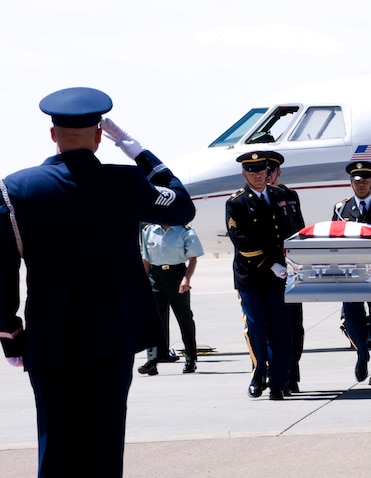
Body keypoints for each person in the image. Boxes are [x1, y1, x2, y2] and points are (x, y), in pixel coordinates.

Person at [0, 87, 195, 476]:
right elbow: (181, 206)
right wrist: (138, 153)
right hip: (112, 336)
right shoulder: (125, 183)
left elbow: (2, 268)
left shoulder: (16, 189)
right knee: (104, 444)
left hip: (50, 336)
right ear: (98, 136)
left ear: (53, 135)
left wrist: (9, 331)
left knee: (54, 443)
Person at [226, 151, 292, 401]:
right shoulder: (236, 202)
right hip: (251, 277)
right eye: (252, 172)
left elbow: (291, 231)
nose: (258, 176)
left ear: (269, 172)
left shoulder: (280, 196)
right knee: (255, 328)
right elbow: (241, 241)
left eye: (262, 171)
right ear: (244, 174)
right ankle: (258, 372)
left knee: (281, 330)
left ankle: (278, 382)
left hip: (279, 277)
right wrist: (272, 264)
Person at [333, 161, 371, 384]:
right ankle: (361, 354)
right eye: (357, 181)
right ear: (351, 183)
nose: (361, 184)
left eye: (366, 180)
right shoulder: (341, 208)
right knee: (351, 319)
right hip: (351, 274)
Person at [138, 223, 204, 375]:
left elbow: (193, 259)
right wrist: (144, 282)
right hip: (155, 276)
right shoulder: (149, 230)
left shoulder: (184, 231)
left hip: (176, 275)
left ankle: (190, 359)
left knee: (184, 318)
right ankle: (152, 361)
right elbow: (146, 259)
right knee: (154, 320)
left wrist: (186, 279)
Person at [266, 153, 306, 393]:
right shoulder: (254, 199)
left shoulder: (289, 196)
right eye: (264, 171)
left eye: (272, 171)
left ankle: (292, 374)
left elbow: (299, 230)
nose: (268, 175)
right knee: (268, 328)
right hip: (266, 270)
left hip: (291, 269)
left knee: (294, 326)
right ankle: (268, 374)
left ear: (278, 173)